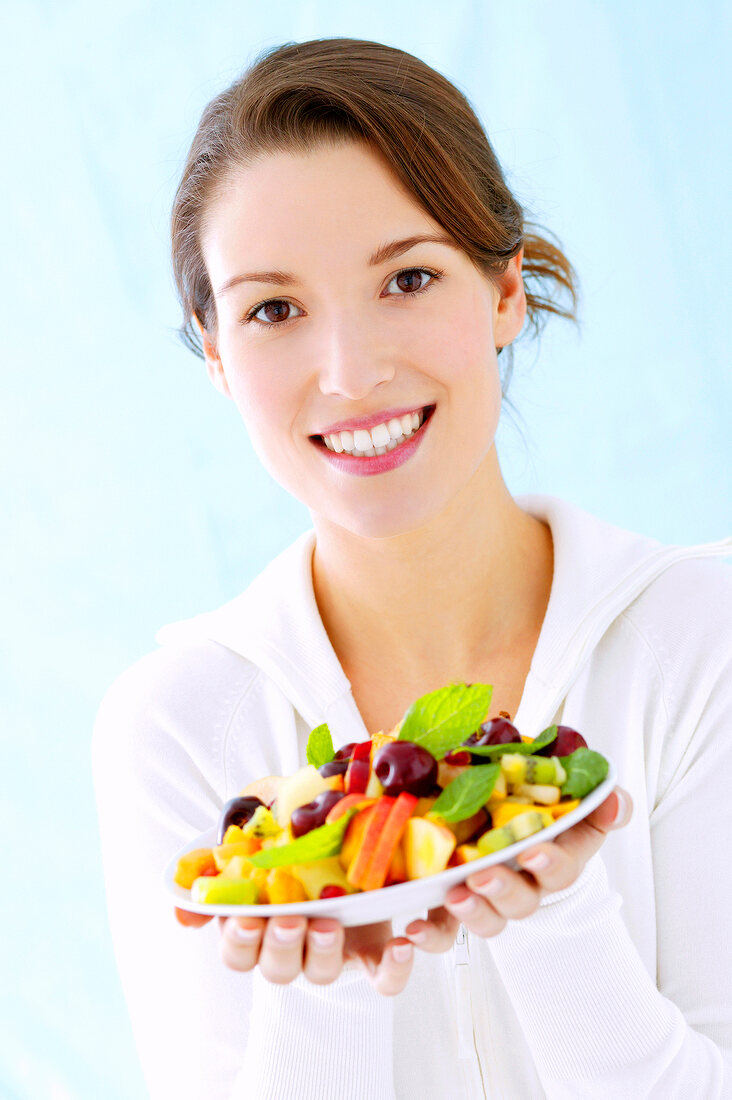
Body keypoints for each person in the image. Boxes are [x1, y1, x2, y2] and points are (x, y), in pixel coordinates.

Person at [92, 37, 732, 1100]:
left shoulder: (703, 635)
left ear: (505, 290)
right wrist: (328, 974)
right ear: (214, 354)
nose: (351, 373)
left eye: (409, 277)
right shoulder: (174, 727)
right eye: (274, 309)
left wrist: (553, 911)